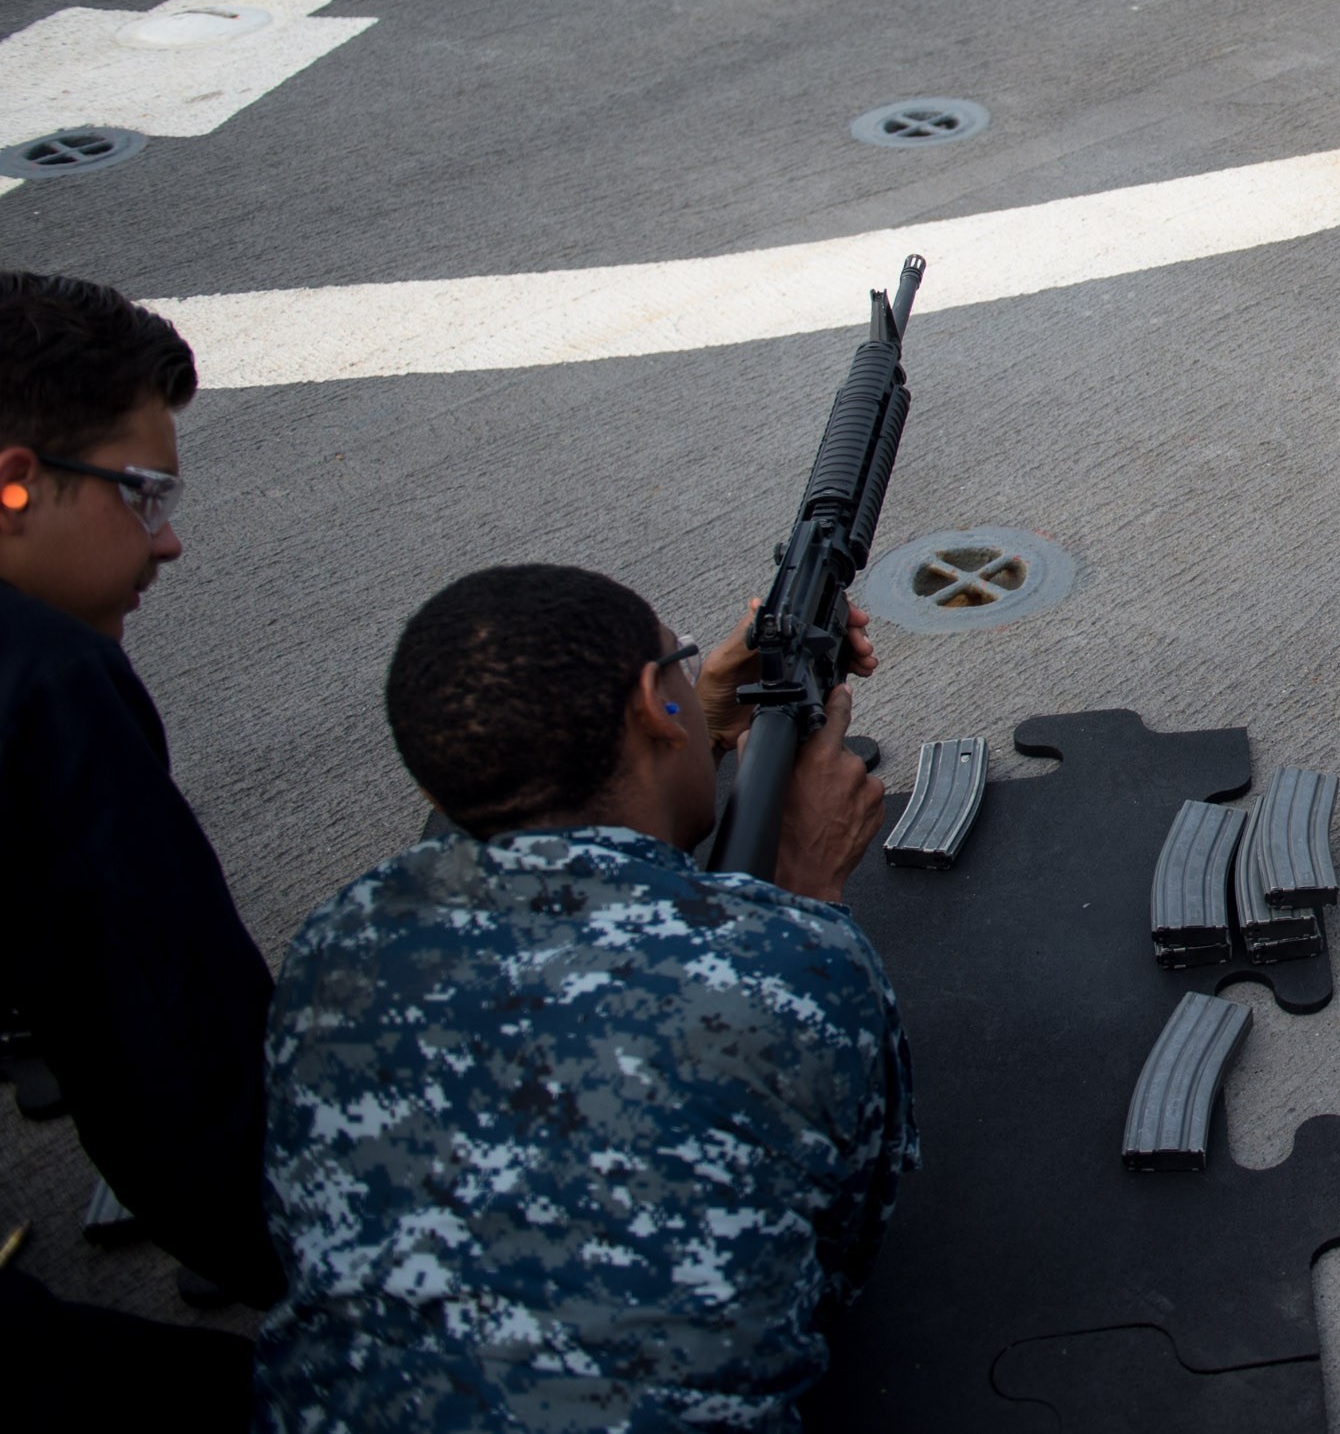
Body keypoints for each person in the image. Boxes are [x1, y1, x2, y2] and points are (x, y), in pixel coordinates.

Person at [252, 564, 912, 1431]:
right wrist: (805, 895)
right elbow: (836, 1254)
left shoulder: (338, 943)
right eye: (679, 665)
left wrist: (698, 731)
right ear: (650, 703)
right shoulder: (794, 964)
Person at [0, 272, 274, 1426]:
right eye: (142, 495)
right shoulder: (43, 680)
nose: (168, 543)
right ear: (13, 482)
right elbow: (172, 1057)